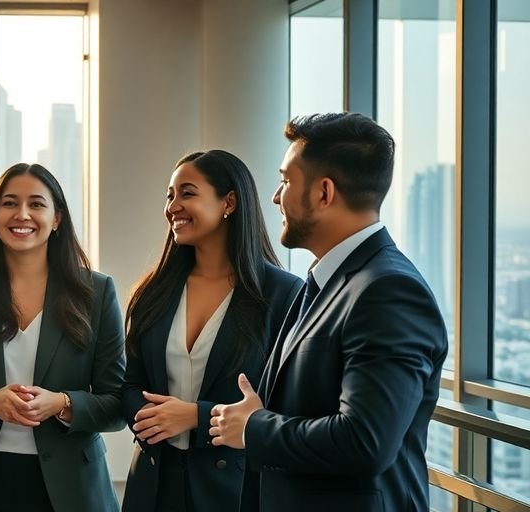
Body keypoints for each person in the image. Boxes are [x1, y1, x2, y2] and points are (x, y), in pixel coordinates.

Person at [209, 113, 448, 512]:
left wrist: (255, 428)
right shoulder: (328, 282)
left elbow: (365, 440)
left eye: (285, 181)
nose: (274, 197)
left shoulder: (389, 291)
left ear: (324, 193)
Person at [0, 163, 125, 512]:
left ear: (57, 217)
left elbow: (118, 403)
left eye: (37, 204)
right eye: (10, 203)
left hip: (70, 486)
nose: (22, 214)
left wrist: (62, 403)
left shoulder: (96, 291)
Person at [120, 150, 302, 512]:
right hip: (154, 487)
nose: (173, 206)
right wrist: (149, 419)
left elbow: (290, 402)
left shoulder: (283, 294)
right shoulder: (153, 292)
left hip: (234, 491)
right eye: (169, 196)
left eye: (187, 193)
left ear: (229, 202)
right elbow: (129, 383)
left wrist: (197, 417)